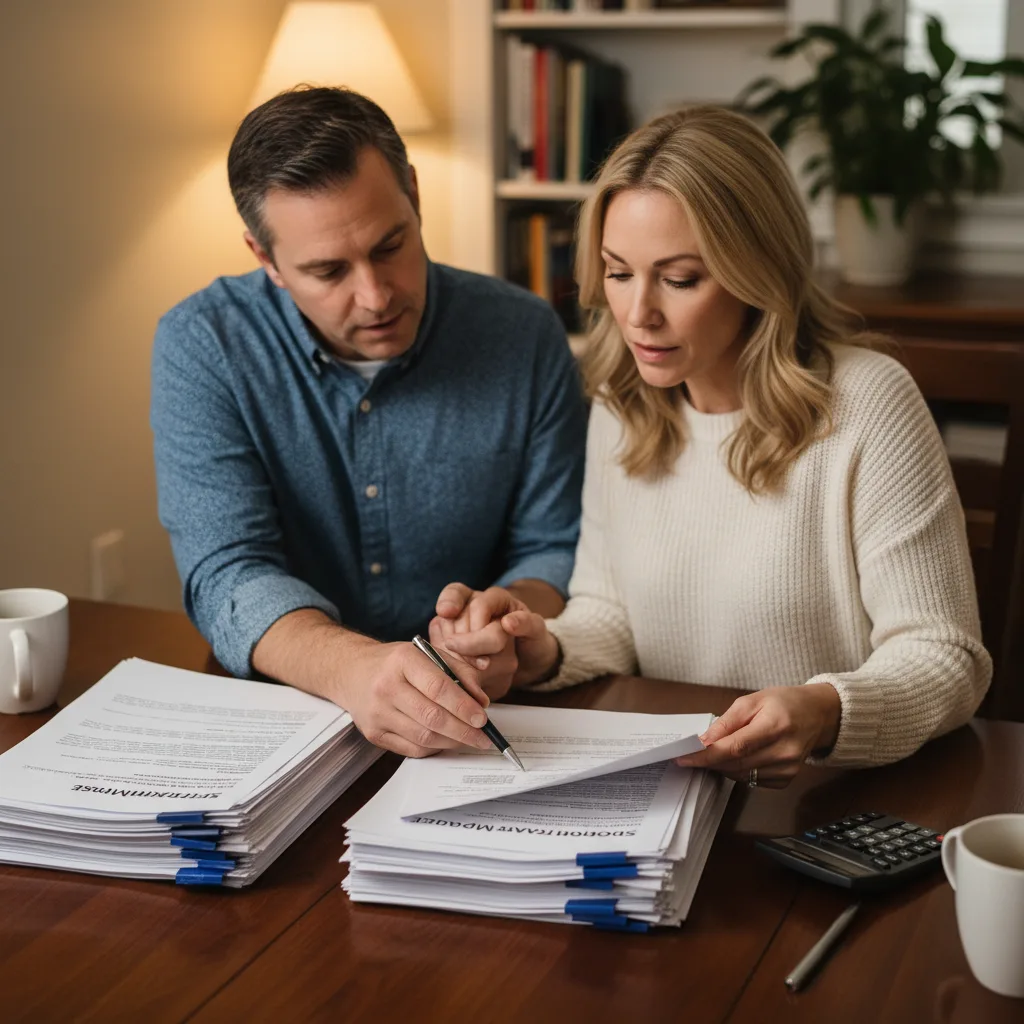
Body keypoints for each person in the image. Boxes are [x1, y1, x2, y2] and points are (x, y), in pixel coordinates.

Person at [434, 105, 992, 786]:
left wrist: (824, 712)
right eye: (617, 271)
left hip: (829, 795)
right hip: (683, 786)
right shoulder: (621, 403)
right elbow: (613, 614)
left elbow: (946, 657)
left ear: (757, 271)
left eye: (680, 278)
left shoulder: (867, 403)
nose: (638, 314)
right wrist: (539, 648)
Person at [151, 87, 587, 758]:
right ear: (264, 257)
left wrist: (505, 619)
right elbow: (227, 571)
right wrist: (353, 668)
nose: (376, 296)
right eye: (328, 270)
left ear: (413, 192)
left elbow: (552, 545)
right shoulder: (203, 346)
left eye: (391, 245)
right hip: (287, 720)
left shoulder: (523, 333)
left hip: (487, 721)